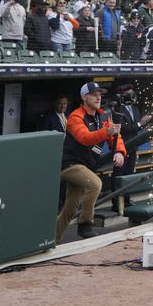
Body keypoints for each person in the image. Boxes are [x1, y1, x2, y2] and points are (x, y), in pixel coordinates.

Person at [55, 82, 124, 243]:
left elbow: (116, 138)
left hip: (86, 165)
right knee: (95, 184)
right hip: (70, 164)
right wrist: (107, 131)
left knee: (70, 208)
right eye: (94, 94)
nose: (98, 97)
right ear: (84, 97)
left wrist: (119, 151)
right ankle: (85, 224)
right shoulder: (75, 116)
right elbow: (85, 139)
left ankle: (53, 240)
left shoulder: (103, 116)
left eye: (100, 94)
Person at [110, 84, 152, 210]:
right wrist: (140, 123)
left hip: (133, 146)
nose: (131, 96)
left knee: (129, 173)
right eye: (128, 93)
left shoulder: (135, 108)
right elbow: (123, 128)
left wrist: (144, 122)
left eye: (132, 93)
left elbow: (137, 127)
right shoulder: (117, 109)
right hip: (122, 146)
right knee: (119, 175)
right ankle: (116, 202)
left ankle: (127, 200)